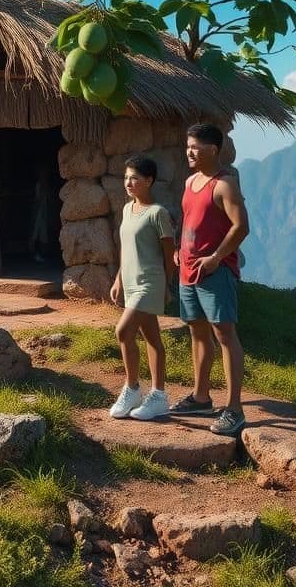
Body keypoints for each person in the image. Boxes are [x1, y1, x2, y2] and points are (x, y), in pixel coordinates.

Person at [169, 122, 250, 437]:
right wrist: (178, 249)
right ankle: (201, 398)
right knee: (198, 333)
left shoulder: (224, 185)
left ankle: (235, 409)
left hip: (216, 272)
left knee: (225, 335)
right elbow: (189, 221)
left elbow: (241, 227)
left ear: (213, 149)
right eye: (187, 145)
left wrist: (216, 258)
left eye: (195, 146)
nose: (189, 151)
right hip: (188, 270)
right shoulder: (190, 182)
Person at [108, 155, 176, 420]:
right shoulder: (127, 209)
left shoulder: (158, 213)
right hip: (131, 281)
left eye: (135, 177)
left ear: (149, 180)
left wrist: (166, 286)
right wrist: (118, 279)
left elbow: (170, 255)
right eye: (126, 177)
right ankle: (158, 395)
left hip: (151, 282)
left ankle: (132, 387)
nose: (129, 182)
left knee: (123, 331)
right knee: (153, 339)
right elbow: (127, 250)